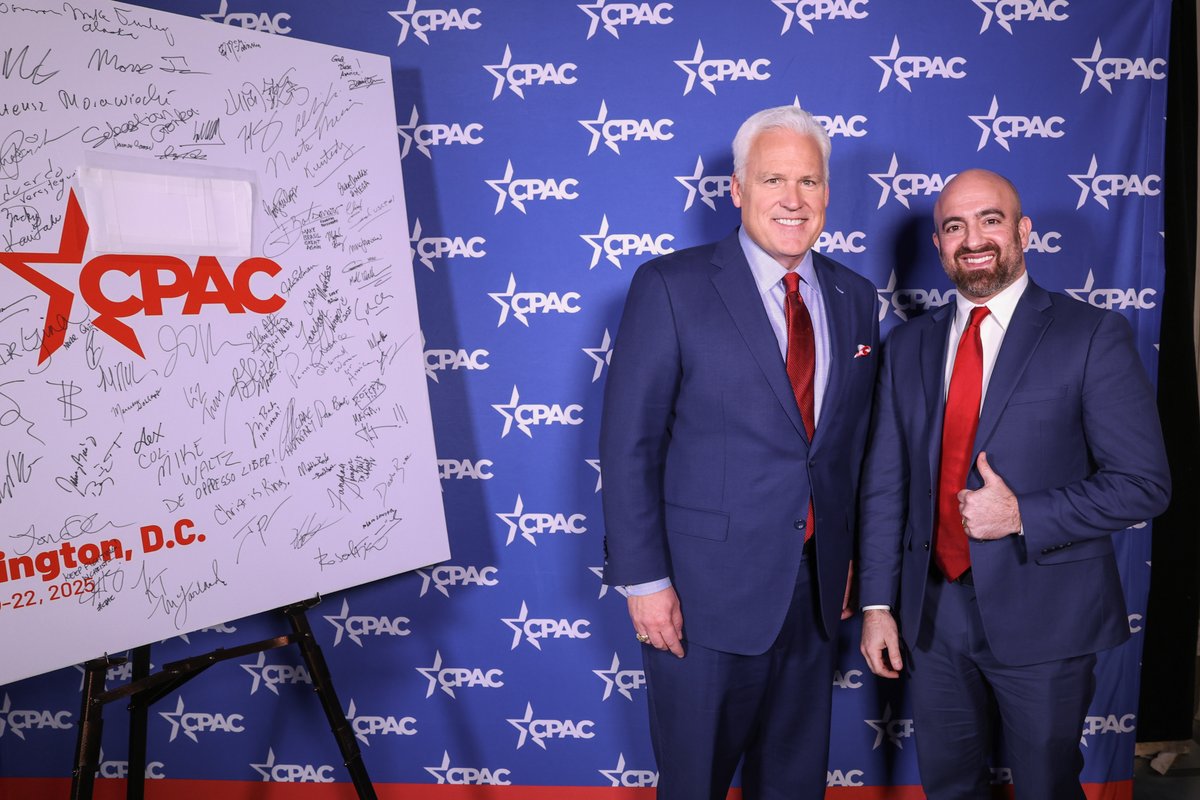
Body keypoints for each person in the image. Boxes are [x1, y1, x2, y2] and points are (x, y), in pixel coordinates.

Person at [858, 168, 1171, 800]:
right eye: (954, 227)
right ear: (940, 247)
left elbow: (1144, 484)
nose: (972, 238)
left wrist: (1022, 513)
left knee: (1044, 788)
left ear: (1023, 232)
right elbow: (885, 485)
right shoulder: (909, 346)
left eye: (990, 220)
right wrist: (875, 605)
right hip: (933, 615)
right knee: (949, 785)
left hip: (1047, 612)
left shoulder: (1091, 336)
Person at [599, 105, 879, 800]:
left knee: (793, 784)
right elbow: (629, 443)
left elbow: (850, 450)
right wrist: (644, 582)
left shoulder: (855, 296)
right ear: (737, 188)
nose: (793, 199)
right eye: (774, 179)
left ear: (827, 194)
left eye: (809, 182)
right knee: (695, 782)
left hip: (814, 593)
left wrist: (850, 563)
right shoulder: (670, 286)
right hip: (700, 597)